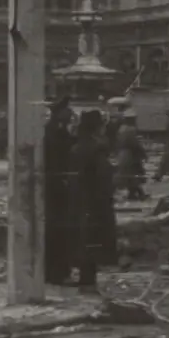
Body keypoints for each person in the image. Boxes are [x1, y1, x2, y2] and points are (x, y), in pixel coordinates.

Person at [68, 110, 118, 291]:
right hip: (96, 200)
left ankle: (84, 276)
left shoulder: (76, 147)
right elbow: (103, 175)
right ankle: (89, 280)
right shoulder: (97, 148)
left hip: (79, 198)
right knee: (94, 239)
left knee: (82, 238)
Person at [44, 100, 74, 285]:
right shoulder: (55, 133)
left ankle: (58, 271)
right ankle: (56, 272)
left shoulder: (56, 131)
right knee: (57, 231)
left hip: (56, 186)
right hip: (56, 187)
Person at [113, 112, 148, 201]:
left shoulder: (121, 129)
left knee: (128, 175)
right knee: (132, 174)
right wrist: (143, 153)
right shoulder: (130, 130)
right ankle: (139, 193)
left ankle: (134, 193)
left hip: (122, 153)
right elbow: (134, 144)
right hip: (130, 155)